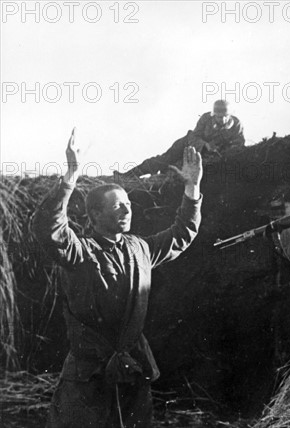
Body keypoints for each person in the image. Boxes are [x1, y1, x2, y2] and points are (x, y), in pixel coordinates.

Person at [33, 128, 203, 427]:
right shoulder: (80, 252)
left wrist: (192, 188)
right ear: (95, 216)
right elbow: (49, 227)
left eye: (128, 205)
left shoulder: (141, 248)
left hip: (133, 370)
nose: (127, 211)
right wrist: (71, 175)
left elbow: (181, 234)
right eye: (117, 206)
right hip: (88, 379)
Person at [122, 99, 245, 177]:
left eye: (225, 116)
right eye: (218, 117)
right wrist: (205, 145)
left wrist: (224, 151)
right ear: (214, 115)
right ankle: (129, 175)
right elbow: (195, 136)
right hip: (188, 143)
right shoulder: (206, 118)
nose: (222, 120)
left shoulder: (237, 124)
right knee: (165, 159)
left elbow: (239, 144)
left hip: (209, 153)